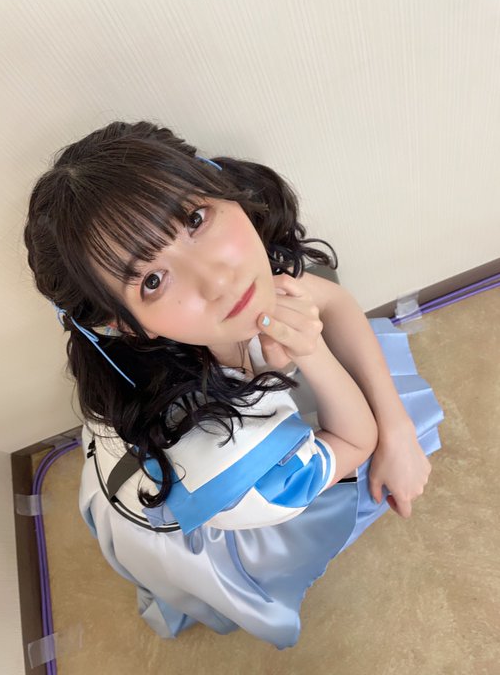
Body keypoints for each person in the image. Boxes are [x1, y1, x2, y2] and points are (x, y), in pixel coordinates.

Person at [23, 120, 444, 649]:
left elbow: (331, 300)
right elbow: (355, 441)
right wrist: (312, 353)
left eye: (194, 219)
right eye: (152, 280)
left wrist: (399, 431)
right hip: (207, 505)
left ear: (216, 184)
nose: (218, 277)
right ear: (122, 325)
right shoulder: (233, 464)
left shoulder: (190, 315)